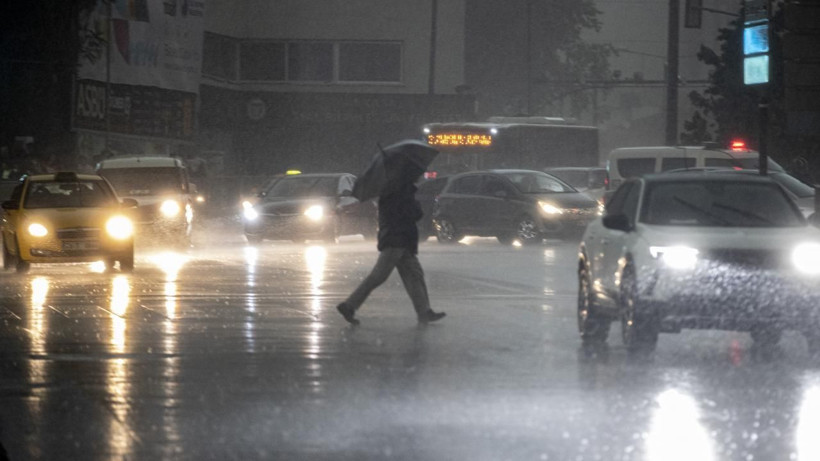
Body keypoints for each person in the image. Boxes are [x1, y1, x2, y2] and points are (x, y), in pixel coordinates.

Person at [336, 161, 445, 325]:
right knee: (380, 276)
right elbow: (412, 214)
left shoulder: (393, 189)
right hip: (397, 239)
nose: (420, 175)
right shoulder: (401, 190)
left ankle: (424, 311)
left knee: (414, 275)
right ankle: (349, 305)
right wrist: (416, 207)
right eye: (417, 173)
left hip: (399, 238)